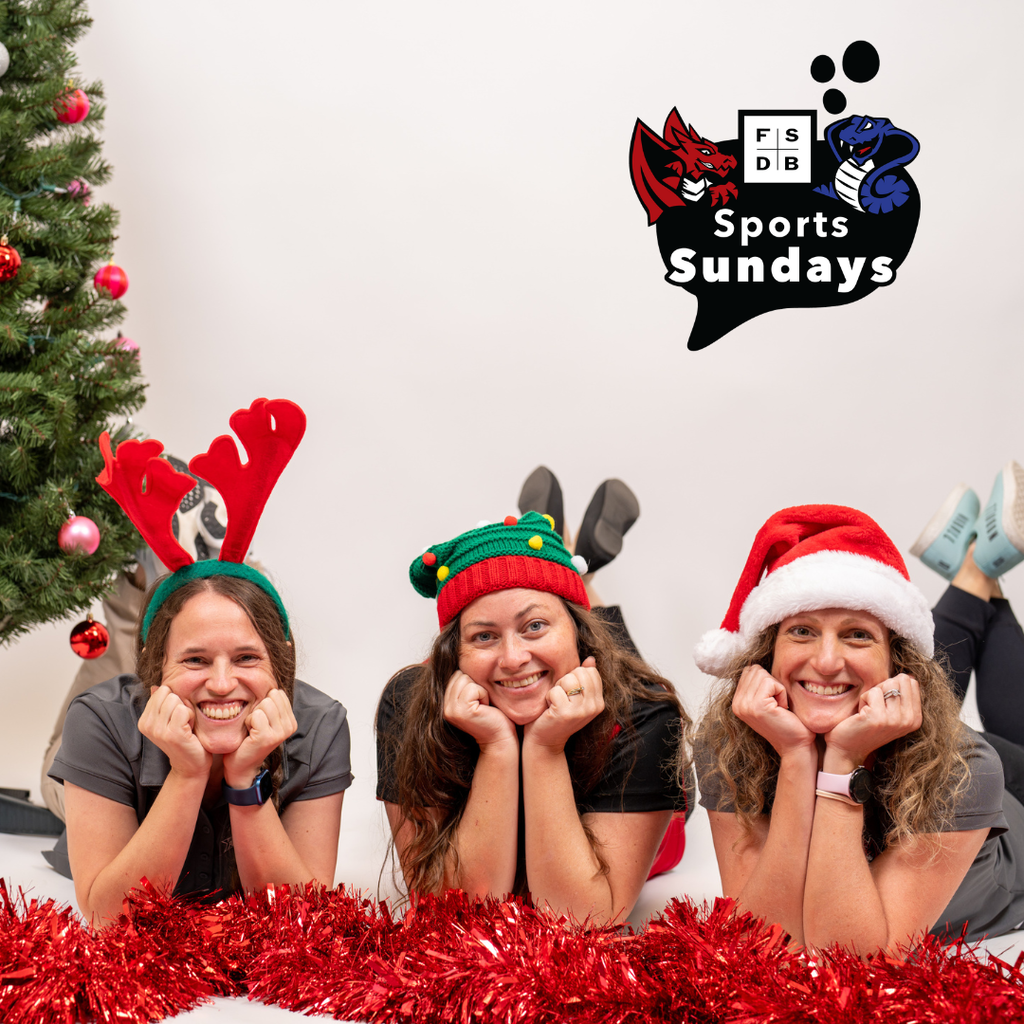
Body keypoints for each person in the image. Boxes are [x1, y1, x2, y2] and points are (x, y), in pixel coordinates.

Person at [48, 399, 352, 925]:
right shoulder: (99, 720)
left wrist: (244, 776)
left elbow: (303, 925)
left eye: (247, 657)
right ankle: (145, 590)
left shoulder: (321, 724)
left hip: (181, 694)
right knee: (61, 781)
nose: (221, 682)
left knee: (207, 625)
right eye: (194, 658)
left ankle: (199, 580)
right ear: (157, 669)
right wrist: (187, 774)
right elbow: (106, 919)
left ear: (281, 662)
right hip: (103, 776)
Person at [693, 503, 1024, 955]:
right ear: (766, 653)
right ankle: (980, 569)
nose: (826, 661)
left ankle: (979, 571)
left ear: (899, 664)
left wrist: (842, 763)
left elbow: (850, 960)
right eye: (802, 631)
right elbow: (765, 944)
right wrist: (795, 757)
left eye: (858, 635)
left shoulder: (965, 771)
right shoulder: (728, 742)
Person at [376, 472, 691, 925]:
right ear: (452, 652)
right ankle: (565, 561)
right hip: (546, 643)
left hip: (638, 801)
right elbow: (452, 912)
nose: (512, 657)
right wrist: (497, 747)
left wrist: (544, 747)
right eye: (483, 636)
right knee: (546, 638)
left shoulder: (646, 716)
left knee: (618, 670)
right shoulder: (408, 704)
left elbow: (585, 919)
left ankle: (573, 568)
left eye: (534, 627)